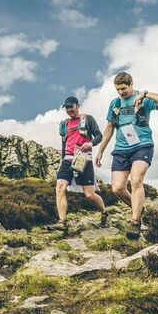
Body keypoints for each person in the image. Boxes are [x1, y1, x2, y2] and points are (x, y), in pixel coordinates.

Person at [94, 72, 158, 239]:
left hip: (142, 145)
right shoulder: (115, 104)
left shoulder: (143, 99)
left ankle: (135, 222)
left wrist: (145, 93)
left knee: (136, 180)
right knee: (117, 188)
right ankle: (139, 208)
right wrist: (100, 150)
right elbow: (109, 128)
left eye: (123, 88)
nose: (121, 92)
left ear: (131, 84)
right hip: (121, 149)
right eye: (118, 90)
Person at [48, 96, 106, 234]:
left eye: (71, 106)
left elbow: (99, 136)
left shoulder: (87, 119)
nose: (69, 110)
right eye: (67, 108)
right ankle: (62, 222)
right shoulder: (64, 125)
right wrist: (62, 160)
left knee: (89, 194)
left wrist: (90, 143)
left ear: (77, 106)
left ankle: (104, 212)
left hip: (82, 158)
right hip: (67, 159)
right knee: (60, 187)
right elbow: (64, 144)